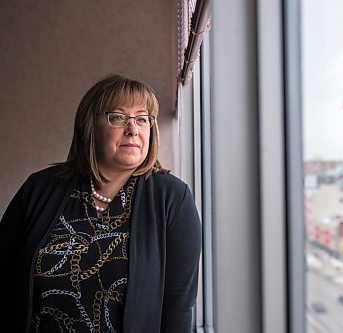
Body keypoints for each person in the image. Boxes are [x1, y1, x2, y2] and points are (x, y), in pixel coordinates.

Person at [0, 74, 202, 333]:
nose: (133, 129)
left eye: (142, 119)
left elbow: (178, 308)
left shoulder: (172, 199)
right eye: (118, 117)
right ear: (90, 126)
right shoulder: (39, 188)